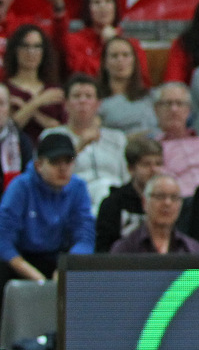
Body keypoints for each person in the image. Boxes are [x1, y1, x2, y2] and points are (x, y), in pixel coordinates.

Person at [0, 132, 92, 281]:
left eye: (68, 161)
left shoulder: (78, 187)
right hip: (22, 257)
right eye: (55, 161)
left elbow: (85, 237)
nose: (63, 169)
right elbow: (3, 238)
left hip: (61, 258)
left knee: (88, 267)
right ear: (39, 165)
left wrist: (66, 267)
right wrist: (33, 275)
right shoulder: (20, 186)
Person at [41, 73, 127, 210]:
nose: (82, 101)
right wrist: (79, 146)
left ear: (98, 104)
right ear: (66, 104)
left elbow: (126, 177)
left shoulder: (117, 138)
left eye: (88, 96)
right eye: (76, 96)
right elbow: (49, 174)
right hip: (71, 198)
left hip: (114, 197)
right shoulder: (52, 136)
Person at [60, 0, 148, 81]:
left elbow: (142, 81)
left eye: (108, 1)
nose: (103, 6)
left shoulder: (132, 44)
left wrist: (114, 42)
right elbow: (82, 75)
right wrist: (108, 45)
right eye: (96, 2)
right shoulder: (74, 41)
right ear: (88, 8)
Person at [93, 134, 163, 251]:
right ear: (131, 169)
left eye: (158, 164)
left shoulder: (169, 201)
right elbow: (103, 251)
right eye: (146, 164)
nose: (154, 170)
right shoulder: (113, 203)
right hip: (122, 265)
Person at [109, 171, 199, 254]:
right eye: (160, 196)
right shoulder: (125, 249)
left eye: (174, 197)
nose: (167, 203)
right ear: (144, 202)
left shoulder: (192, 250)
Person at [6, 24, 64, 142]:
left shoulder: (54, 89)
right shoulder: (5, 89)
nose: (31, 52)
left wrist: (26, 107)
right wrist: (39, 101)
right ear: (15, 50)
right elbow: (9, 129)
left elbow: (61, 130)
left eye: (37, 46)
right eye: (25, 46)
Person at [97, 36, 156, 135]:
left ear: (134, 60)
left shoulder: (150, 96)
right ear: (105, 63)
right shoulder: (97, 101)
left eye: (125, 55)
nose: (120, 60)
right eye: (114, 56)